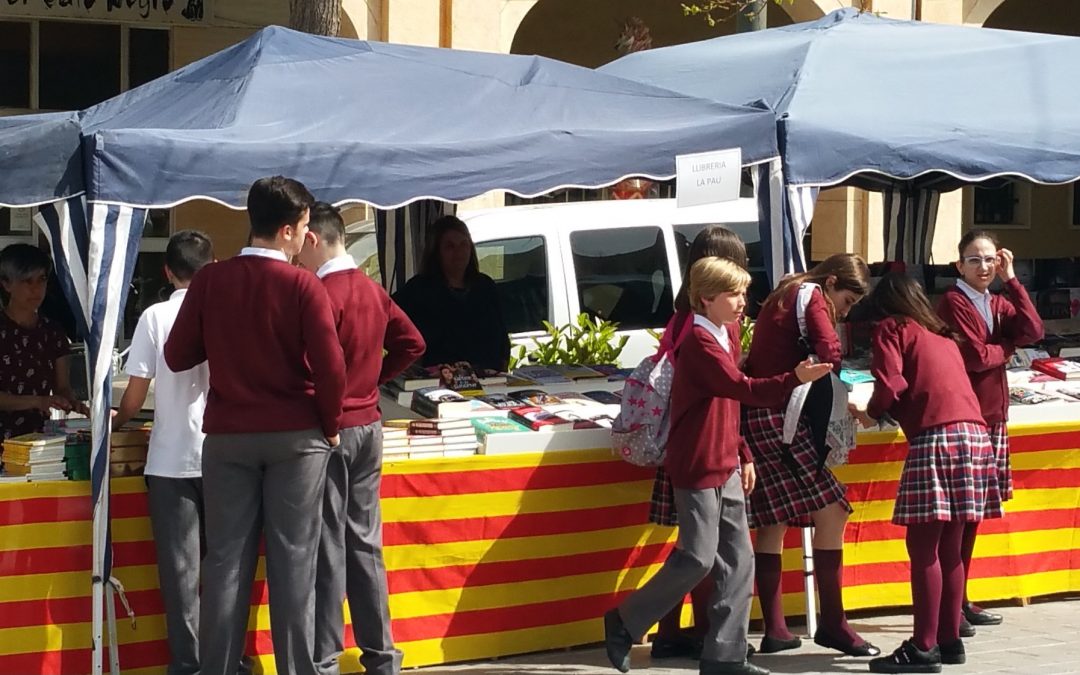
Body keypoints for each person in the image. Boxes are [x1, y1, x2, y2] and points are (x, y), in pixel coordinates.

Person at [603, 257, 832, 675]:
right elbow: (741, 389)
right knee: (697, 557)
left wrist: (742, 452)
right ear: (706, 299)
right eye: (735, 294)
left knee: (739, 559)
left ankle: (725, 654)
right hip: (696, 463)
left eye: (744, 293)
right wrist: (795, 378)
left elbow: (728, 402)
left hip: (724, 459)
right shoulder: (699, 343)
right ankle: (625, 620)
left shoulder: (725, 332)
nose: (744, 302)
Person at [164, 176, 347, 675]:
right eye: (306, 227)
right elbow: (332, 367)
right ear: (289, 231)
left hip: (228, 436)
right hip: (296, 437)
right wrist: (331, 424)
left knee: (225, 563)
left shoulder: (210, 281)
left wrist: (224, 340)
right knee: (294, 564)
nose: (307, 238)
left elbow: (177, 355)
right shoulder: (304, 284)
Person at [296, 203, 426, 675]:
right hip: (369, 423)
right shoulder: (373, 290)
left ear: (314, 240)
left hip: (332, 428)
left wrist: (337, 402)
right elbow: (414, 343)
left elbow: (312, 369)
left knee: (329, 542)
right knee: (365, 542)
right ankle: (381, 654)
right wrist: (373, 381)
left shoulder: (320, 294)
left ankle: (326, 657)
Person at [112, 231, 250, 675]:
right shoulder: (231, 310)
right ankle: (226, 660)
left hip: (170, 459)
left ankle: (188, 664)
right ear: (214, 264)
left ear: (167, 271)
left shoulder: (154, 315)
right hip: (227, 454)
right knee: (228, 568)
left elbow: (134, 396)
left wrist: (113, 422)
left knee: (180, 575)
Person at [851, 273, 999, 674]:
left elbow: (891, 383)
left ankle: (923, 646)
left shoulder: (892, 327)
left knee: (923, 549)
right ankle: (950, 640)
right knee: (952, 548)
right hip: (975, 436)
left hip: (936, 437)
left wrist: (870, 413)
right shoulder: (943, 337)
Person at [740, 253, 877, 657]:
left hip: (760, 413)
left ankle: (776, 627)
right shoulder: (813, 295)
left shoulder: (785, 290)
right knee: (833, 509)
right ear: (832, 282)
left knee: (773, 519)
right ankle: (833, 623)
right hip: (782, 417)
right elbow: (831, 352)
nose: (845, 310)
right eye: (848, 301)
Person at [935, 231, 1043, 636]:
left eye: (990, 260)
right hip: (967, 416)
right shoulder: (954, 302)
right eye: (975, 260)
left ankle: (961, 597)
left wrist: (1013, 281)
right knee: (960, 515)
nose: (984, 267)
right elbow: (976, 356)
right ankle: (951, 603)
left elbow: (1033, 330)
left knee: (976, 512)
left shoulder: (998, 301)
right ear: (959, 265)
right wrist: (1005, 350)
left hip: (994, 415)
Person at [649, 226, 750, 661]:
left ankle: (705, 639)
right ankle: (682, 630)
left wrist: (740, 449)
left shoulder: (718, 323)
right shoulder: (695, 327)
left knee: (701, 548)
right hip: (697, 447)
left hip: (714, 446)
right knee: (698, 552)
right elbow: (730, 387)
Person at [393, 215, 510, 372]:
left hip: (487, 385)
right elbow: (392, 326)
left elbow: (502, 340)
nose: (459, 252)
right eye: (450, 246)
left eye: (463, 244)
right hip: (438, 387)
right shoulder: (418, 290)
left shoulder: (485, 286)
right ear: (436, 252)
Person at [0, 243, 85, 441]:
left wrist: (71, 403)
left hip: (37, 442)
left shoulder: (53, 332)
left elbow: (62, 387)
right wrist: (38, 401)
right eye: (27, 281)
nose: (36, 289)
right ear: (6, 284)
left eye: (42, 280)